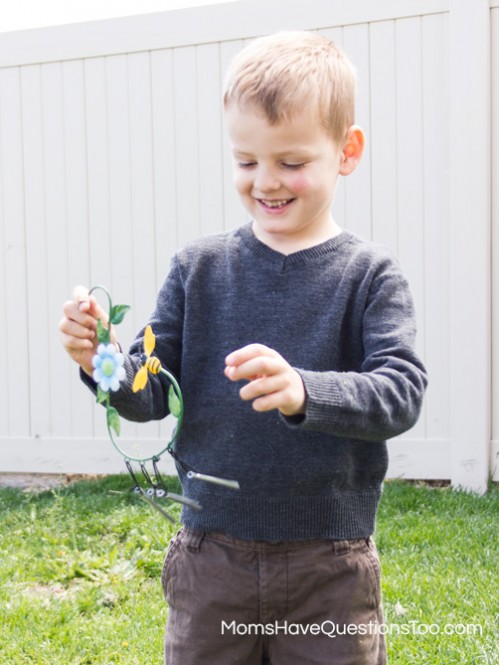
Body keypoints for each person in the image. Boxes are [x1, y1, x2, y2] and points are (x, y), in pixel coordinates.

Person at [60, 31, 427, 665]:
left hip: (328, 568)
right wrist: (102, 358)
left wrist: (305, 390)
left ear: (347, 150)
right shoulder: (198, 269)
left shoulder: (370, 276)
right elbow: (150, 394)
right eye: (247, 161)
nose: (267, 182)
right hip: (212, 561)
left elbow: (400, 392)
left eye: (291, 161)